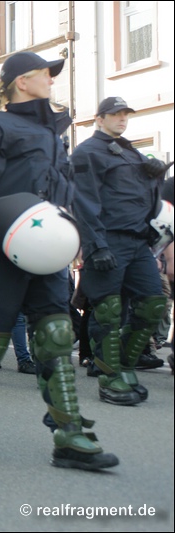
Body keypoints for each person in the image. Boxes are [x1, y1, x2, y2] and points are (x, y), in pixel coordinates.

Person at [0, 51, 118, 470]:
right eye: (44, 75)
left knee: (55, 335)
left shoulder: (54, 137)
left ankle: (70, 434)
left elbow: (66, 199)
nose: (52, 81)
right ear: (21, 81)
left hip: (47, 251)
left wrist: (79, 241)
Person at [70, 96, 169, 406]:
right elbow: (84, 203)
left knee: (153, 303)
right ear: (99, 119)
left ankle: (122, 364)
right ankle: (111, 377)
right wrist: (96, 246)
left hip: (138, 241)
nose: (122, 119)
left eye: (125, 114)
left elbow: (145, 201)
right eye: (115, 114)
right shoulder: (87, 153)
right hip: (108, 240)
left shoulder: (130, 151)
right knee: (108, 312)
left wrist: (155, 177)